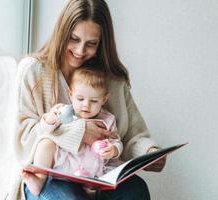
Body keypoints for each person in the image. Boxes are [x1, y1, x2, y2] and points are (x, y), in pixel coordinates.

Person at [15, 0, 166, 199]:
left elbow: (132, 135)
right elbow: (23, 139)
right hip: (49, 174)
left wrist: (149, 152)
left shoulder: (111, 79)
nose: (79, 50)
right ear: (62, 33)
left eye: (91, 44)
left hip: (98, 173)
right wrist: (79, 132)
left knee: (136, 190)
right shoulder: (33, 70)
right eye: (74, 39)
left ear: (102, 43)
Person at [22, 67, 124, 196]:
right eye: (80, 99)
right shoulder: (66, 113)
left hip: (92, 170)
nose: (86, 105)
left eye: (94, 101)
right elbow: (46, 130)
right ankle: (39, 180)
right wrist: (51, 118)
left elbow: (116, 141)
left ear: (104, 99)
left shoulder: (108, 120)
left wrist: (113, 150)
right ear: (70, 94)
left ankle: (90, 189)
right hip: (65, 164)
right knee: (46, 143)